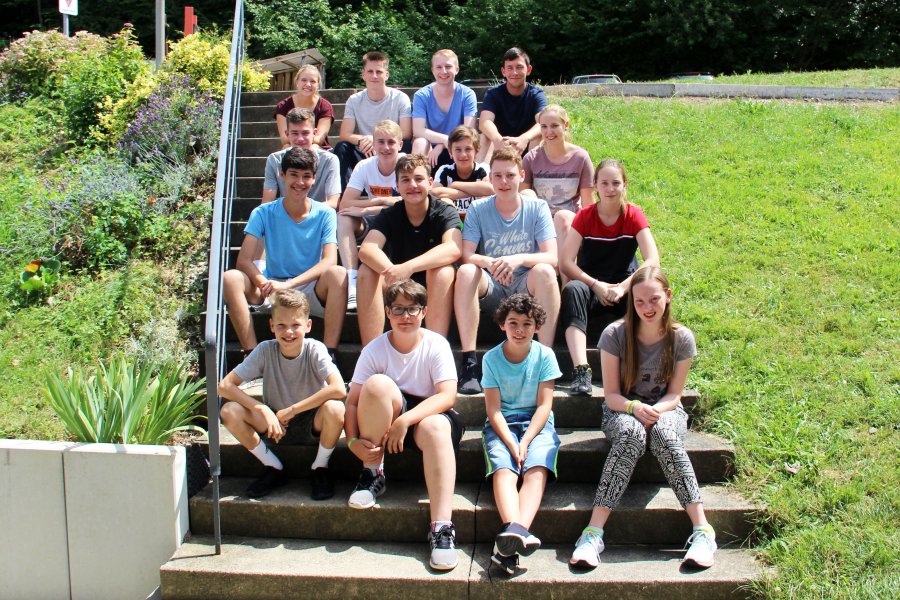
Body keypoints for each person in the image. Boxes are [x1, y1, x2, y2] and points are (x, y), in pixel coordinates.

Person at [569, 266, 716, 570]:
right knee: (631, 434)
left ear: (668, 296)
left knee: (664, 432)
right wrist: (635, 408)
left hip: (666, 410)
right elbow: (611, 395)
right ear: (631, 302)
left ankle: (702, 530)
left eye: (654, 299)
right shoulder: (615, 335)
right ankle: (593, 533)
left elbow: (674, 395)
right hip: (622, 410)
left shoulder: (681, 338)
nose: (647, 308)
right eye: (639, 302)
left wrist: (655, 411)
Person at [344, 279, 464, 571]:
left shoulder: (436, 344)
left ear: (424, 312)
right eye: (398, 309)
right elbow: (353, 402)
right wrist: (352, 441)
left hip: (431, 419)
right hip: (390, 414)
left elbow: (447, 396)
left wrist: (406, 420)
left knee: (435, 426)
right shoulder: (375, 349)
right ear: (387, 312)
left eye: (412, 309)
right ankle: (372, 472)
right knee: (376, 384)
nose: (405, 316)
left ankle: (442, 528)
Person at [217, 289, 346, 499]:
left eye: (296, 325)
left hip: (312, 420)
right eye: (281, 326)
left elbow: (339, 388)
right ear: (271, 326)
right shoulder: (265, 350)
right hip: (275, 422)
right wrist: (262, 409)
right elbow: (225, 386)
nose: (289, 332)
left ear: (308, 325)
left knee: (336, 408)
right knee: (229, 411)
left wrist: (293, 409)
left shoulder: (315, 349)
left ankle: (320, 467)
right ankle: (273, 466)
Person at [224, 147, 348, 359]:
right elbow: (243, 260)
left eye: (306, 176)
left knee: (338, 273)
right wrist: (264, 282)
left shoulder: (326, 213)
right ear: (282, 175)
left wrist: (289, 284)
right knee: (230, 278)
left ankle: (330, 354)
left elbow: (329, 260)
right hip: (271, 285)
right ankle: (251, 354)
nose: (300, 182)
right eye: (294, 175)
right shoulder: (262, 212)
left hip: (309, 288)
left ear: (314, 179)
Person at [454, 147, 560, 395]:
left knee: (545, 271)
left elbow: (552, 257)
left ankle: (544, 359)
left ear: (521, 176)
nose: (504, 182)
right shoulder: (478, 208)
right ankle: (469, 363)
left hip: (525, 283)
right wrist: (491, 263)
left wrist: (517, 259)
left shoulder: (537, 207)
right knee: (467, 271)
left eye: (510, 175)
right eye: (498, 176)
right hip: (491, 284)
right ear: (490, 178)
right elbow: (466, 254)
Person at [559, 159, 659, 394]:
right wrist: (596, 285)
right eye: (604, 183)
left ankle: (637, 369)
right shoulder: (585, 216)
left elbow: (653, 260)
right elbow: (565, 262)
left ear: (625, 185)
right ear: (595, 185)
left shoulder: (633, 215)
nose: (610, 189)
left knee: (645, 290)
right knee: (572, 290)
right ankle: (581, 370)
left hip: (623, 284)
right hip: (591, 284)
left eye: (616, 183)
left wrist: (623, 287)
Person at [481, 294, 562, 575]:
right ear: (502, 324)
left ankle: (513, 536)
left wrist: (526, 441)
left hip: (537, 425)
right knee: (504, 470)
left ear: (537, 327)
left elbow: (544, 406)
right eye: (513, 323)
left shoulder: (545, 356)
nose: (519, 330)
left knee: (536, 469)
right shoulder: (491, 359)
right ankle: (517, 535)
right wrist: (511, 442)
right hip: (502, 425)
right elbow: (493, 410)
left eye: (527, 324)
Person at [357, 154, 461, 345]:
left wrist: (408, 267)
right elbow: (367, 249)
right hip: (397, 283)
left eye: (419, 179)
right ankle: (370, 352)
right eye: (405, 180)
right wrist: (392, 271)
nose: (413, 185)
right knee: (366, 271)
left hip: (434, 284)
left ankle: (435, 349)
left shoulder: (444, 211)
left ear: (430, 182)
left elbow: (453, 248)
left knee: (443, 271)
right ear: (397, 186)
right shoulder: (390, 214)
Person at [338, 119, 406, 310]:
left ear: (400, 144)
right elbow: (345, 203)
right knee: (343, 217)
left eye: (391, 142)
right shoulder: (364, 166)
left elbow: (413, 200)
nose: (386, 147)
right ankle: (352, 280)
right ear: (373, 144)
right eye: (381, 142)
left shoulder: (407, 163)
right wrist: (379, 201)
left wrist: (367, 209)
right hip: (374, 221)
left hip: (401, 220)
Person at [521, 104, 594, 272]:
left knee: (562, 217)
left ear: (565, 125)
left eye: (554, 126)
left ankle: (566, 281)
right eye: (544, 127)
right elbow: (520, 197)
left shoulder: (580, 158)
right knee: (526, 193)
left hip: (569, 221)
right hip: (541, 221)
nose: (549, 132)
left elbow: (588, 204)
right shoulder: (531, 158)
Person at [334, 51, 412, 189]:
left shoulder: (401, 98)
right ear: (363, 74)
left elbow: (406, 133)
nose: (374, 76)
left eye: (379, 72)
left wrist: (377, 140)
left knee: (405, 145)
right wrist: (366, 140)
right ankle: (344, 193)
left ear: (386, 75)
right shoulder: (354, 100)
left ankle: (402, 188)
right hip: (366, 149)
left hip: (390, 148)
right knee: (342, 147)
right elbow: (344, 134)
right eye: (370, 71)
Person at [477, 47, 547, 163]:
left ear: (529, 69)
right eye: (510, 68)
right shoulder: (493, 93)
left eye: (519, 67)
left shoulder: (536, 94)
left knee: (538, 137)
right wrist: (498, 140)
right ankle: (482, 173)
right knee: (484, 137)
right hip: (500, 145)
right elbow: (484, 122)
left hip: (526, 145)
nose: (514, 72)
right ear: (503, 71)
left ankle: (531, 173)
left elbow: (543, 122)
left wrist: (524, 138)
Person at [411, 49, 478, 170]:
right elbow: (418, 130)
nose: (443, 71)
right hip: (430, 150)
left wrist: (442, 145)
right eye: (438, 67)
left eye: (448, 66)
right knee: (419, 142)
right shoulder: (421, 95)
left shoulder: (467, 94)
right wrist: (444, 140)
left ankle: (476, 178)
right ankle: (418, 177)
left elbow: (468, 131)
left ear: (457, 69)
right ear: (433, 70)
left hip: (459, 147)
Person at [263, 108, 341, 209]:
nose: (300, 139)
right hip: (286, 213)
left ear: (314, 133)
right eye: (295, 133)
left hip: (318, 214)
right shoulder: (274, 160)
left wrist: (304, 212)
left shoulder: (329, 160)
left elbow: (333, 202)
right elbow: (267, 202)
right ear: (287, 134)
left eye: (305, 133)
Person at [430, 125, 493, 217]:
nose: (463, 154)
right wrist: (474, 191)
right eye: (458, 150)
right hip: (453, 218)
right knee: (445, 200)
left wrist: (456, 185)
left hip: (476, 218)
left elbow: (490, 189)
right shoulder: (445, 170)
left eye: (468, 149)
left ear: (476, 151)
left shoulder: (482, 169)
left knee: (485, 199)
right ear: (450, 152)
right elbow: (435, 193)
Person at [274, 65, 334, 150]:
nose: (308, 84)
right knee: (286, 147)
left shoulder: (325, 106)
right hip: (293, 146)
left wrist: (302, 140)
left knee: (314, 147)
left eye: (313, 81)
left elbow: (319, 139)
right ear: (297, 82)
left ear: (318, 85)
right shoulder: (283, 106)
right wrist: (300, 141)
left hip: (319, 148)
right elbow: (284, 139)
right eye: (304, 80)